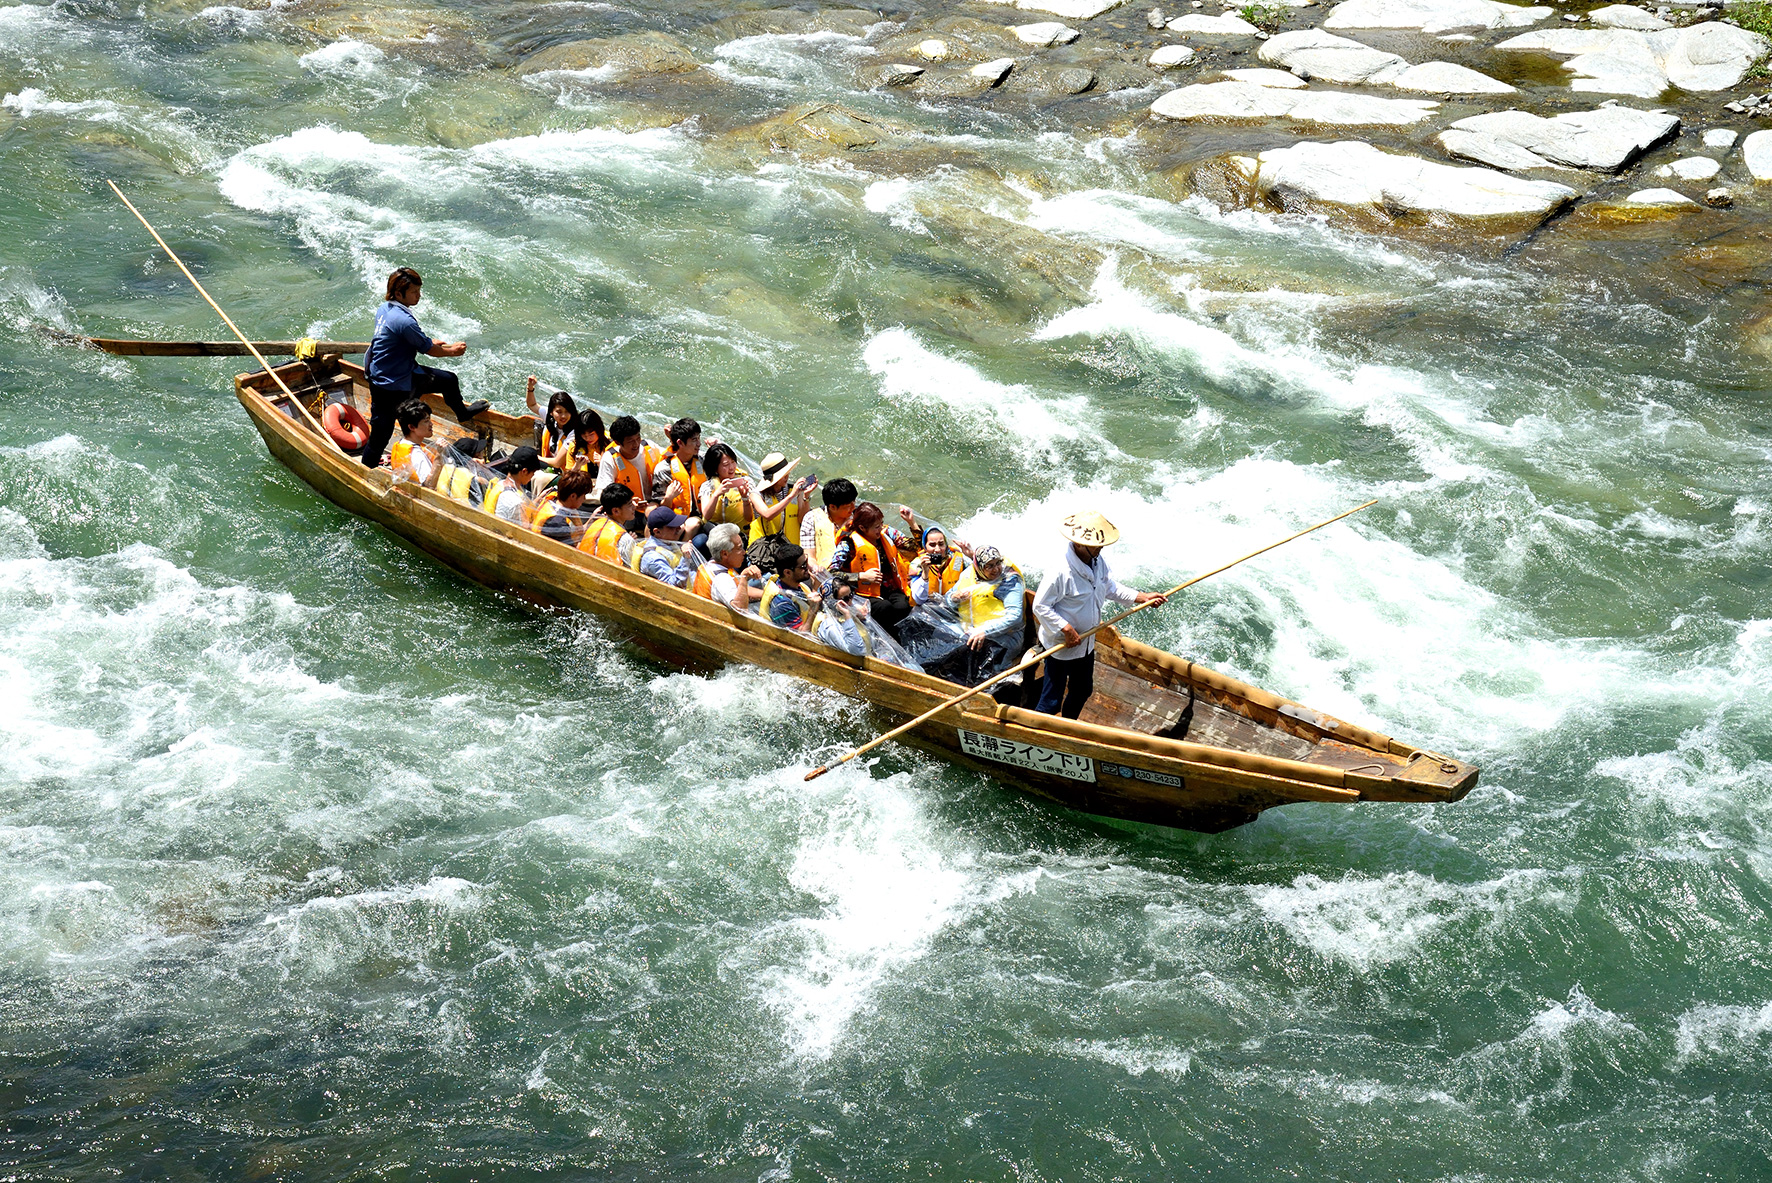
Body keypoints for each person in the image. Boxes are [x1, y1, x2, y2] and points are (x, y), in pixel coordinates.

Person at [1030, 511, 1166, 720]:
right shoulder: (1060, 571)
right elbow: (1040, 606)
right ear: (1078, 545)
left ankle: (1068, 726)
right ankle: (1035, 731)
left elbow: (1109, 587)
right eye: (1096, 544)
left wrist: (1142, 597)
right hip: (1062, 646)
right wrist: (1066, 629)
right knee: (1051, 701)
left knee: (1083, 690)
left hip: (1086, 643)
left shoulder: (1098, 561)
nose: (1101, 547)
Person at [361, 267, 488, 467]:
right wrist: (451, 351)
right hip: (390, 385)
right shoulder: (404, 321)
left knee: (449, 380)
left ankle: (462, 413)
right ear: (398, 293)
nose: (418, 296)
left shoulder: (385, 309)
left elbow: (413, 340)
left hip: (398, 371)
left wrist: (427, 342)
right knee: (380, 435)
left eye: (419, 291)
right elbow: (428, 349)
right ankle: (366, 471)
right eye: (414, 292)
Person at [942, 546, 1024, 683]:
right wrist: (954, 598)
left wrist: (984, 631)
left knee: (967, 651)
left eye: (998, 563)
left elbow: (1015, 617)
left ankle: (983, 682)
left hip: (1004, 636)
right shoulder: (970, 574)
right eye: (990, 566)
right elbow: (948, 598)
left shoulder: (1010, 582)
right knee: (941, 637)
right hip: (971, 628)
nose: (996, 569)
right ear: (979, 567)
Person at [829, 501, 912, 636]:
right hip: (862, 592)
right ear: (862, 527)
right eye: (876, 527)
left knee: (903, 606)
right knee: (884, 608)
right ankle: (887, 639)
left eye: (881, 524)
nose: (880, 529)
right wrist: (862, 576)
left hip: (888, 587)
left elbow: (914, 546)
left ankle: (899, 634)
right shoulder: (848, 543)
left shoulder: (886, 532)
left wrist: (911, 522)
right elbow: (832, 572)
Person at [595, 415, 664, 507]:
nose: (636, 444)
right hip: (629, 510)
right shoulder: (610, 459)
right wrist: (628, 502)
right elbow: (605, 493)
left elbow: (674, 457)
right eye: (630, 441)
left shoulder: (650, 447)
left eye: (638, 438)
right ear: (618, 442)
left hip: (656, 503)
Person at [691, 523, 761, 611]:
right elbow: (739, 608)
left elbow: (738, 588)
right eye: (739, 548)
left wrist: (769, 594)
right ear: (724, 554)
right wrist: (744, 577)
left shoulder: (709, 566)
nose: (744, 552)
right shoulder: (721, 579)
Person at [750, 453, 814, 545]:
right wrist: (791, 496)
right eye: (782, 474)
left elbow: (802, 520)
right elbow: (767, 514)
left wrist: (806, 496)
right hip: (764, 551)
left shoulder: (794, 491)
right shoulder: (756, 494)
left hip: (790, 550)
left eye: (787, 472)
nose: (786, 476)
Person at [758, 543, 823, 633]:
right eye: (803, 566)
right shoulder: (782, 603)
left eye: (806, 561)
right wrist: (813, 610)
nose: (808, 567)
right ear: (788, 572)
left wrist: (817, 584)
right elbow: (801, 637)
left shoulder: (795, 585)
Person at [653, 417, 707, 518]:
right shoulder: (664, 470)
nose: (699, 444)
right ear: (680, 443)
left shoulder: (703, 460)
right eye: (694, 440)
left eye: (699, 438)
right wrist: (669, 498)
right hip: (676, 520)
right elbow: (659, 510)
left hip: (704, 515)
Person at [800, 477, 857, 574]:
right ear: (832, 507)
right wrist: (817, 569)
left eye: (854, 502)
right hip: (825, 575)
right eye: (848, 506)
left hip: (857, 573)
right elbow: (809, 557)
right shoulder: (811, 518)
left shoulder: (858, 516)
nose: (853, 507)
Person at [525, 378, 578, 474]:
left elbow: (557, 463)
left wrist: (534, 457)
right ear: (551, 412)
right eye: (559, 412)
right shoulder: (550, 419)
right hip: (549, 467)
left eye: (567, 412)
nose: (563, 416)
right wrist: (530, 387)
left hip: (565, 475)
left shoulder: (573, 433)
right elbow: (532, 405)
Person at [579, 483, 640, 567]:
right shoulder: (625, 539)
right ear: (615, 511)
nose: (634, 507)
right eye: (630, 504)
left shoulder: (595, 524)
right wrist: (629, 542)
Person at [531, 469, 593, 546]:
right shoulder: (558, 522)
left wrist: (591, 518)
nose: (584, 499)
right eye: (583, 495)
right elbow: (570, 552)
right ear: (573, 496)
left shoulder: (550, 500)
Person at [909, 525, 968, 605]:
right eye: (932, 545)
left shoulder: (957, 560)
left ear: (946, 545)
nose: (937, 549)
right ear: (925, 546)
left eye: (941, 544)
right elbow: (919, 600)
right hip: (927, 609)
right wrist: (925, 574)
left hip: (953, 605)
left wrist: (971, 555)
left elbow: (976, 577)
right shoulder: (917, 564)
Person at [638, 506, 696, 587]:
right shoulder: (652, 558)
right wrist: (685, 558)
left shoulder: (668, 542)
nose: (679, 528)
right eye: (673, 526)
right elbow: (674, 586)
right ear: (657, 532)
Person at [484, 445, 540, 526]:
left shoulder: (498, 484)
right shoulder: (516, 503)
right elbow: (526, 532)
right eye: (533, 473)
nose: (532, 477)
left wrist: (538, 500)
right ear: (524, 471)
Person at [387, 399, 438, 487]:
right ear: (411, 427)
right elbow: (429, 485)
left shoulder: (402, 443)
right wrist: (439, 459)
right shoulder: (417, 455)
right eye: (426, 421)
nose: (431, 424)